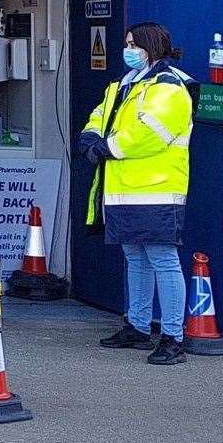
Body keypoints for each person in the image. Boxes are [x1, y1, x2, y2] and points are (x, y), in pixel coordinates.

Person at [78, 21, 194, 365]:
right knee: (136, 260)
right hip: (124, 191)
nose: (127, 50)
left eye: (133, 44)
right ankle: (139, 327)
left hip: (158, 191)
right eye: (126, 43)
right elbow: (101, 115)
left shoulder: (170, 85)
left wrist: (107, 147)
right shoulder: (123, 85)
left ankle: (174, 337)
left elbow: (150, 132)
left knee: (163, 261)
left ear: (150, 47)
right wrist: (90, 137)